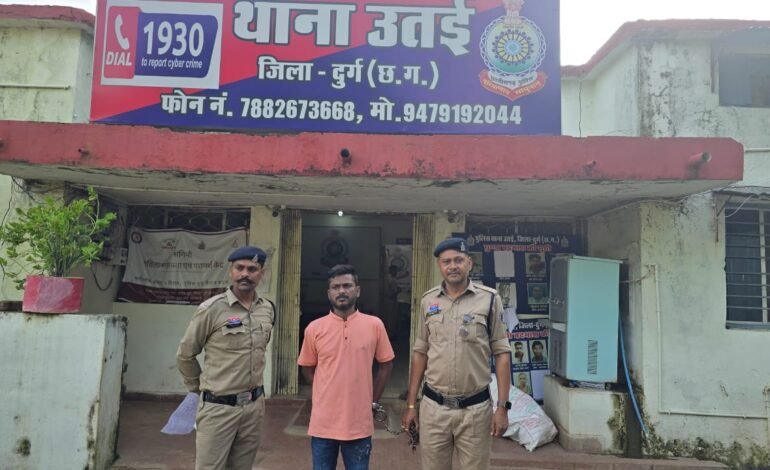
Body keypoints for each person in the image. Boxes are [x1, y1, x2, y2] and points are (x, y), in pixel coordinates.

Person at [402, 238, 512, 470]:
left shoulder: (490, 299)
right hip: (434, 410)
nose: (453, 266)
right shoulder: (428, 300)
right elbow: (420, 352)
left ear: (469, 263)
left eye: (458, 260)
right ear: (439, 266)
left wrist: (502, 407)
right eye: (446, 262)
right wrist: (411, 406)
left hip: (475, 411)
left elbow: (502, 353)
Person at [176, 245, 275, 470]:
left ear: (262, 273)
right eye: (239, 268)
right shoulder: (211, 309)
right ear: (231, 271)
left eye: (252, 269)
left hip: (253, 409)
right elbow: (185, 355)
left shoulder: (267, 309)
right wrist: (198, 389)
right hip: (218, 409)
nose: (245, 274)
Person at [298, 264, 395, 470]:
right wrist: (325, 391)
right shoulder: (314, 328)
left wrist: (373, 402)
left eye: (347, 286)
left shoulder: (374, 325)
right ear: (328, 293)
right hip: (323, 423)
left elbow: (386, 365)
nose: (341, 291)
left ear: (357, 291)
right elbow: (307, 368)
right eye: (336, 287)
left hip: (359, 424)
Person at [382, 265, 401, 339]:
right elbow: (391, 291)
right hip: (390, 300)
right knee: (391, 319)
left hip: (391, 300)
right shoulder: (389, 279)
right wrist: (398, 290)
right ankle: (390, 335)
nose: (396, 272)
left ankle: (390, 334)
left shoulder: (392, 278)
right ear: (392, 270)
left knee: (391, 318)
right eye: (395, 271)